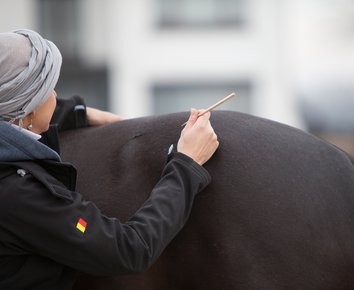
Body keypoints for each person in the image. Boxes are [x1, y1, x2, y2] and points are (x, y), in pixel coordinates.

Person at [0, 29, 219, 290]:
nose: (57, 97)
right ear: (26, 108)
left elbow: (24, 108)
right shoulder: (19, 195)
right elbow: (128, 250)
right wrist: (186, 164)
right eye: (49, 89)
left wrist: (82, 113)